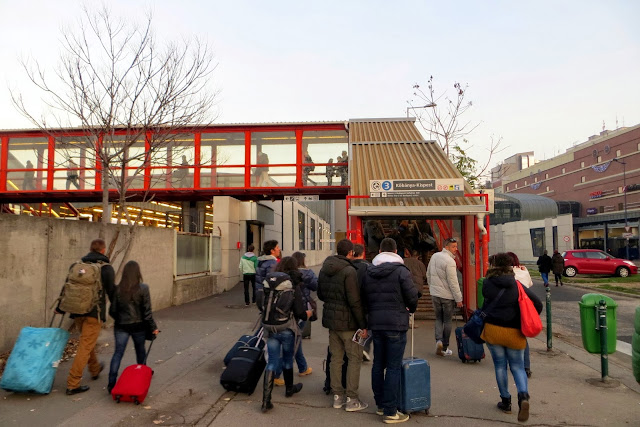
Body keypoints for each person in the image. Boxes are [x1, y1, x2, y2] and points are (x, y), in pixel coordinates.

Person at [361, 238, 419, 424]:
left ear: (379, 251)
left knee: (378, 364)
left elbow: (364, 298)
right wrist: (410, 308)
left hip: (376, 324)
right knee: (393, 367)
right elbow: (412, 297)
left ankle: (380, 405)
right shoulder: (401, 271)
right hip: (396, 324)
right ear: (396, 251)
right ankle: (390, 411)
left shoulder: (369, 271)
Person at [481, 253, 543, 422]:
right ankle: (523, 397)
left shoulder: (487, 283)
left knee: (500, 366)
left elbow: (484, 303)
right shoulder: (518, 285)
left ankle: (505, 402)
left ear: (493, 266)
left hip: (493, 330)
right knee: (517, 366)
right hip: (515, 332)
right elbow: (537, 304)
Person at [57, 239, 115, 395]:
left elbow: (66, 288)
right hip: (94, 314)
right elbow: (112, 292)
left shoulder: (76, 266)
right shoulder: (106, 269)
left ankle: (95, 369)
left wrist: (59, 308)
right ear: (103, 251)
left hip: (77, 312)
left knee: (87, 342)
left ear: (90, 249)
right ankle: (73, 383)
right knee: (84, 346)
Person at [317, 239, 368, 412]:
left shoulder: (325, 269)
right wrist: (363, 324)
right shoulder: (349, 271)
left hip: (332, 322)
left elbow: (321, 294)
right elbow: (354, 300)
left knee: (336, 359)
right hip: (349, 323)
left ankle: (337, 396)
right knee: (354, 358)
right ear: (350, 253)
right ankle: (352, 398)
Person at [260, 256, 313, 412]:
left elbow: (260, 302)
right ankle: (289, 389)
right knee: (288, 359)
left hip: (270, 327)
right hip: (287, 328)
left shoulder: (269, 283)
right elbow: (299, 311)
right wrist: (307, 314)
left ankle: (266, 401)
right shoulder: (292, 285)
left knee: (271, 362)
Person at [107, 261, 158, 393]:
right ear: (138, 272)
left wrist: (120, 320)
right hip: (138, 325)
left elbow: (112, 310)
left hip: (121, 326)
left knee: (118, 353)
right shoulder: (143, 288)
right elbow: (147, 312)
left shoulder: (118, 289)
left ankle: (111, 384)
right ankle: (141, 377)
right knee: (140, 351)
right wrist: (153, 327)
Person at [273, 251, 316, 386]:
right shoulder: (307, 274)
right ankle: (276, 373)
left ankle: (303, 367)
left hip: (281, 313)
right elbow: (316, 286)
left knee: (296, 340)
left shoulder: (280, 276)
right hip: (299, 311)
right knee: (292, 344)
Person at [426, 237, 463, 356]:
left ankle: (438, 341)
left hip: (435, 294)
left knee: (438, 319)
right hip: (447, 296)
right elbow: (453, 282)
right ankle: (445, 347)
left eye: (456, 247)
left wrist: (432, 287)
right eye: (453, 247)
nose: (456, 249)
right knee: (447, 320)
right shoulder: (450, 261)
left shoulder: (435, 256)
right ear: (446, 247)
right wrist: (459, 299)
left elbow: (428, 274)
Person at [506, 251, 533, 378]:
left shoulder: (505, 273)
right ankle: (526, 366)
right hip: (524, 307)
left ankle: (511, 363)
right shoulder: (524, 270)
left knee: (507, 336)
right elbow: (529, 284)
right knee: (523, 338)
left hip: (509, 308)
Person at [349, 244, 372, 361]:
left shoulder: (347, 266)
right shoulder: (369, 267)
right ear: (363, 253)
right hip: (366, 302)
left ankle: (355, 348)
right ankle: (364, 347)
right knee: (369, 327)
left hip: (350, 302)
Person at [404, 249, 426, 329]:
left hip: (405, 286)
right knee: (412, 304)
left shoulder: (403, 261)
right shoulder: (420, 263)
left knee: (404, 303)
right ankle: (410, 321)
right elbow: (424, 275)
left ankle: (405, 320)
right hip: (417, 287)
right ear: (417, 256)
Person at [255, 240, 280, 307]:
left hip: (260, 292)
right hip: (268, 295)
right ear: (272, 250)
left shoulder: (261, 261)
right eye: (277, 247)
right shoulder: (272, 263)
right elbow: (272, 281)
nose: (279, 249)